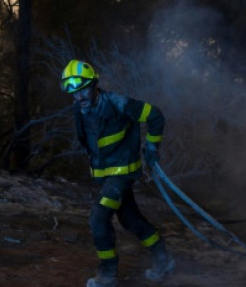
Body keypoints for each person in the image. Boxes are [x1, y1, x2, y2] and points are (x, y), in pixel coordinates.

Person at [61, 59, 176, 287]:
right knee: (130, 219)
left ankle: (107, 277)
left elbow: (155, 115)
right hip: (107, 175)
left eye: (83, 89)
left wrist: (152, 147)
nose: (79, 96)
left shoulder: (117, 103)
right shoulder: (79, 109)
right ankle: (164, 260)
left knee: (98, 217)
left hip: (122, 173)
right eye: (73, 92)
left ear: (94, 84)